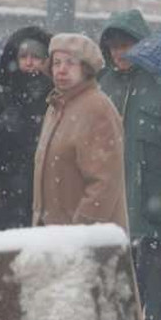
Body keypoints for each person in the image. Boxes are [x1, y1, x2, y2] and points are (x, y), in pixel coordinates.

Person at [99, 10, 161, 320]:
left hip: (155, 219)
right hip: (109, 220)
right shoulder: (100, 86)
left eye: (126, 45)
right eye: (113, 46)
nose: (119, 53)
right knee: (113, 311)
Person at [33, 33, 128, 230]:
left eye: (70, 63)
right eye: (57, 62)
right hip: (54, 238)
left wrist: (80, 229)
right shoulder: (55, 106)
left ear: (85, 68)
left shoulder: (97, 108)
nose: (61, 69)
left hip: (84, 243)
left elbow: (104, 183)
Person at [0, 26, 52, 230]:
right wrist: (0, 127)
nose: (30, 62)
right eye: (24, 56)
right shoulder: (5, 97)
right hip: (8, 187)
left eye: (36, 57)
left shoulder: (54, 97)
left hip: (46, 186)